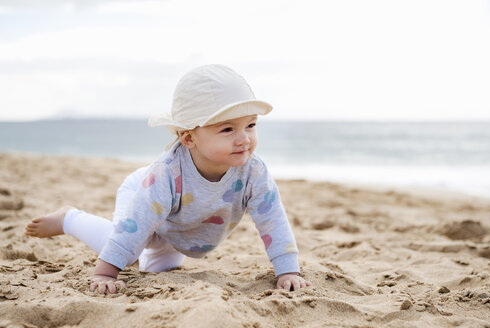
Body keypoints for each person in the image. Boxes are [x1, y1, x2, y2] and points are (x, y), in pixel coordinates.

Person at [24, 64, 311, 294]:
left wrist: (287, 270)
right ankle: (69, 219)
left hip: (181, 228)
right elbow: (134, 225)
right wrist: (105, 272)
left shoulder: (254, 172)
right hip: (145, 198)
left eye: (250, 125)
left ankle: (138, 255)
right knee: (129, 250)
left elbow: (273, 220)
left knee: (157, 271)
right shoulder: (167, 172)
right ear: (188, 137)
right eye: (227, 129)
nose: (244, 139)